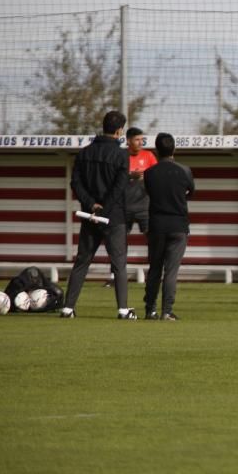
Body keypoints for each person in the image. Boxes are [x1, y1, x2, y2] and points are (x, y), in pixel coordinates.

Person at [60, 111, 135, 319]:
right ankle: (122, 310)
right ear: (120, 130)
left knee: (82, 261)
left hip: (89, 215)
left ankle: (68, 308)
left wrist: (91, 204)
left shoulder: (84, 153)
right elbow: (119, 187)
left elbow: (76, 183)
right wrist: (105, 208)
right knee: (119, 263)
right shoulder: (121, 155)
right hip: (114, 217)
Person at [142, 133, 195, 321]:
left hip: (156, 225)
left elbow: (148, 191)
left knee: (155, 268)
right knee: (171, 271)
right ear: (174, 149)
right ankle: (167, 310)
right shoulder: (185, 171)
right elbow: (191, 191)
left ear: (156, 151)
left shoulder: (149, 173)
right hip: (178, 226)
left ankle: (150, 309)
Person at [105, 127, 157, 287]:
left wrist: (146, 176)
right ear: (128, 141)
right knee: (118, 243)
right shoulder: (121, 156)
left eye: (142, 139)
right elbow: (113, 178)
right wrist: (130, 175)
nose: (140, 142)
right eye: (137, 139)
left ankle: (153, 276)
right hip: (123, 208)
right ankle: (115, 277)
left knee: (153, 241)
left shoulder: (148, 156)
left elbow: (156, 175)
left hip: (144, 208)